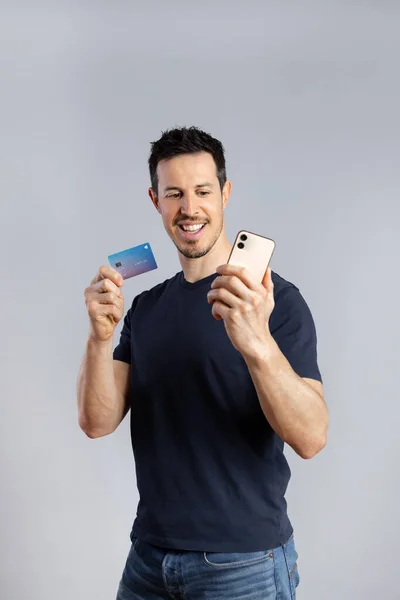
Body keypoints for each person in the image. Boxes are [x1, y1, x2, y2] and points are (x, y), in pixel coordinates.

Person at [77, 126, 328, 600]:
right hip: (150, 557)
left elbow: (312, 438)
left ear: (225, 193)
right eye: (174, 194)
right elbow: (96, 422)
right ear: (156, 201)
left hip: (243, 563)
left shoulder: (276, 303)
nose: (189, 208)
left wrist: (255, 340)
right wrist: (99, 338)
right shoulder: (146, 308)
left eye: (202, 191)